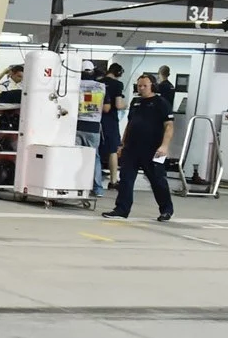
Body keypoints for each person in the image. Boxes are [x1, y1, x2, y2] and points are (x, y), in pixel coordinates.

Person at [104, 74, 175, 222]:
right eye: (139, 86)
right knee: (126, 179)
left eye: (145, 86)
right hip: (132, 148)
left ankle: (166, 209)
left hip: (154, 149)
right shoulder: (135, 102)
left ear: (152, 86)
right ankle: (121, 209)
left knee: (157, 180)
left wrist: (164, 146)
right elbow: (130, 124)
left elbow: (169, 126)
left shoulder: (161, 103)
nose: (141, 88)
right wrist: (122, 144)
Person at [75, 65, 107, 198]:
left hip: (76, 125)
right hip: (93, 126)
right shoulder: (101, 87)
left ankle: (75, 185)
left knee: (75, 156)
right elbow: (106, 107)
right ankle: (97, 188)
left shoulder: (75, 85)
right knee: (94, 157)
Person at [101, 62, 127, 188]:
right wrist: (126, 105)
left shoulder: (98, 82)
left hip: (96, 119)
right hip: (110, 120)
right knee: (112, 150)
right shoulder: (117, 84)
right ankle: (113, 180)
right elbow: (118, 104)